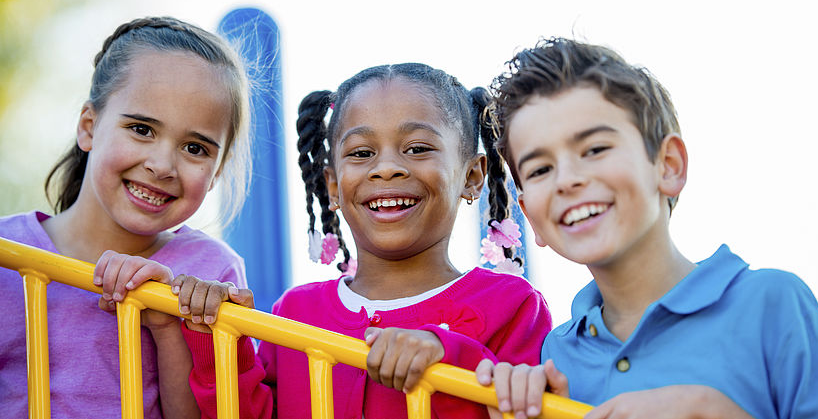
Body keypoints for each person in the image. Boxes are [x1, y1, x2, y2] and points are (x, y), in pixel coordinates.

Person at [474, 38, 818, 419]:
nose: (566, 180)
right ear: (530, 217)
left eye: (595, 149)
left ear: (668, 165)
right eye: (540, 170)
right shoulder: (555, 356)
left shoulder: (773, 303)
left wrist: (714, 411)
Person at [172, 62, 552, 419]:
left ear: (472, 176)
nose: (386, 168)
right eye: (362, 153)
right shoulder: (294, 312)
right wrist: (216, 339)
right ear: (333, 186)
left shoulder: (513, 305)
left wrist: (448, 353)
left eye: (418, 148)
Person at [0, 16, 253, 419]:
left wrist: (167, 325)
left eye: (195, 148)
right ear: (89, 127)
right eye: (141, 129)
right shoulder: (8, 253)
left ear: (218, 168)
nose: (162, 165)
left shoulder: (211, 272)